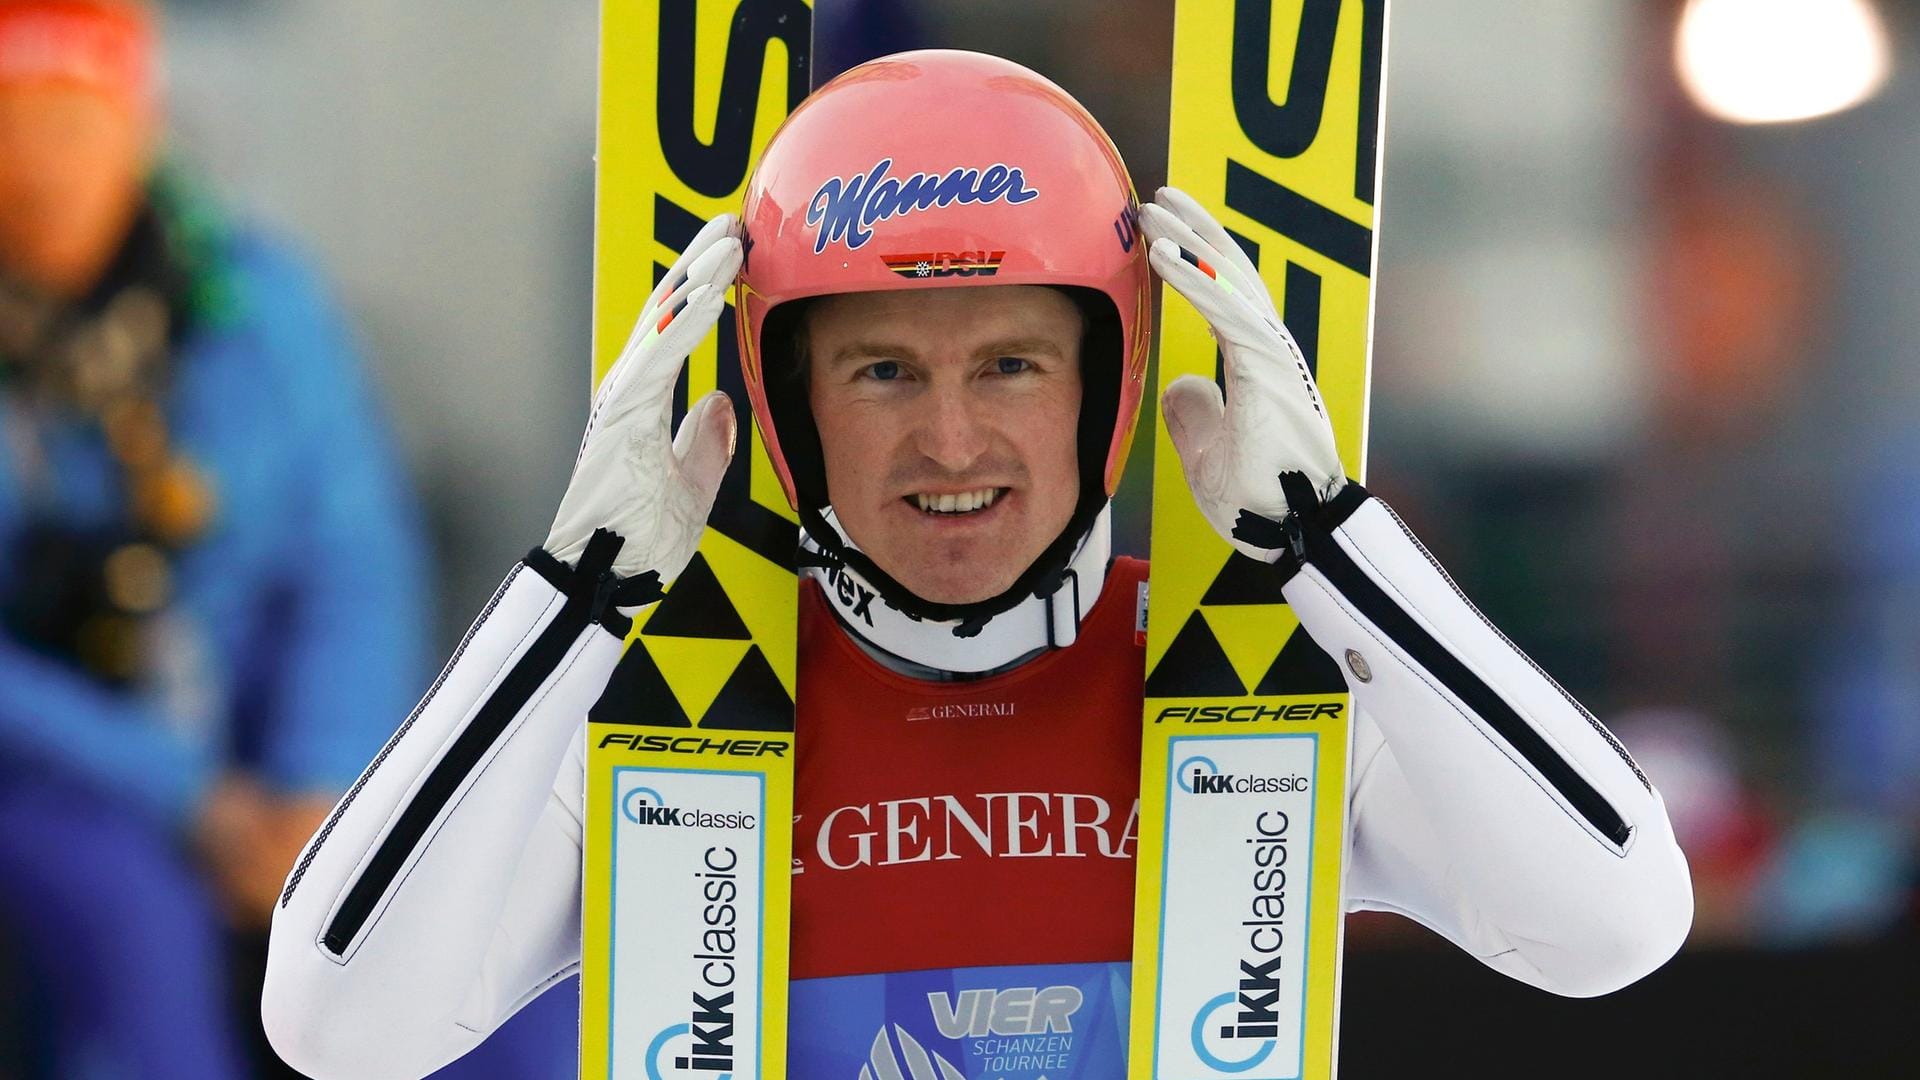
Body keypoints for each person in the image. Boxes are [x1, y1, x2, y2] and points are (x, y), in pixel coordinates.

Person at [262, 51, 1693, 1079]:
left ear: (1105, 392)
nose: (950, 444)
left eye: (1010, 364)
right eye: (882, 371)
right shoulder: (673, 719)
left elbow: (1618, 924)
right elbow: (338, 1028)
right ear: (791, 412)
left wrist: (1330, 543)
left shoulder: (1251, 680)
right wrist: (575, 592)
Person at [0, 1, 442, 1075]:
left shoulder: (257, 303)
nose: (43, 169)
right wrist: (186, 794)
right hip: (62, 768)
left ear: (137, 125)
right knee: (135, 933)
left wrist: (319, 782)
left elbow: (355, 564)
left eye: (74, 124)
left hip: (273, 758)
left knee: (425, 931)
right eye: (13, 130)